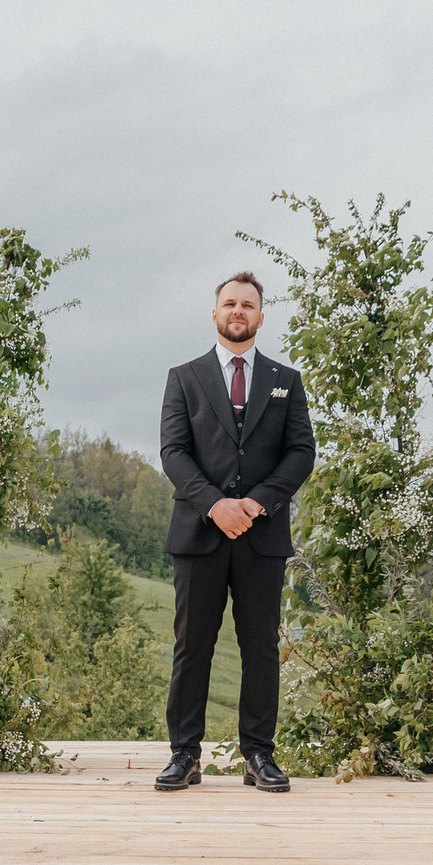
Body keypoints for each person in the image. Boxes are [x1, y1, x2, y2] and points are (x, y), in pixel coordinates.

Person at [154, 270, 315, 793]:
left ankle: (259, 757)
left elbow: (301, 453)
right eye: (230, 303)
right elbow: (173, 453)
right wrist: (215, 505)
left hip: (262, 537)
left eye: (248, 304)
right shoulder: (184, 376)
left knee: (261, 648)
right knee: (191, 647)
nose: (238, 311)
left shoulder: (286, 381)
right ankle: (185, 755)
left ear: (261, 317)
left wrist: (256, 502)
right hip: (199, 534)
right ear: (216, 312)